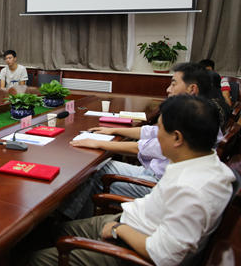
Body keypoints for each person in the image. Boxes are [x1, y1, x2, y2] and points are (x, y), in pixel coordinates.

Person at [27, 95, 236, 266]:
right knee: (51, 230)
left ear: (177, 138)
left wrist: (118, 230)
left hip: (129, 249)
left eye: (160, 129)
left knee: (35, 259)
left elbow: (164, 256)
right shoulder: (202, 162)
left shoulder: (192, 190)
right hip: (133, 221)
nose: (156, 137)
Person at [60, 62, 216, 219]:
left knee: (91, 173)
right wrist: (113, 130)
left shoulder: (194, 120)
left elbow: (147, 147)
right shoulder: (197, 112)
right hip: (156, 174)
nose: (168, 89)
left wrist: (98, 143)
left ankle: (66, 223)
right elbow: (151, 132)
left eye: (174, 84)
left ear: (192, 89)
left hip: (157, 184)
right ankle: (71, 220)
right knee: (98, 167)